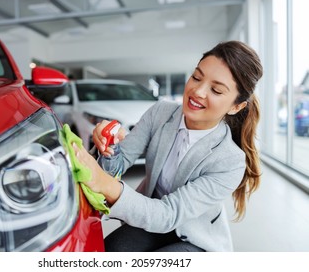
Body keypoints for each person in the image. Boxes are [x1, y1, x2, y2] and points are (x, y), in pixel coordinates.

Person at [73, 40, 263, 252]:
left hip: (193, 237)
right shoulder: (160, 112)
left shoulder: (230, 161)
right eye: (196, 77)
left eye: (216, 90)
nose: (198, 91)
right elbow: (118, 163)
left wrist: (106, 185)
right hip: (150, 221)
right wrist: (109, 149)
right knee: (113, 250)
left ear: (236, 106)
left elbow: (168, 214)